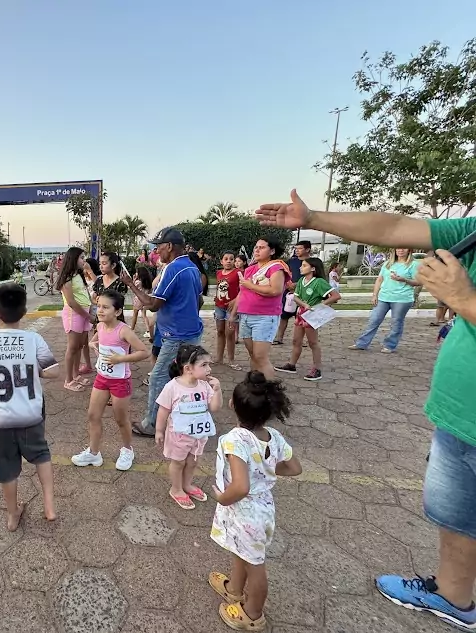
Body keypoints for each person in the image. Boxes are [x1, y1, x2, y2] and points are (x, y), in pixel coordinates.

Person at [257, 188, 476, 629]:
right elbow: (393, 226)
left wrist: (464, 300)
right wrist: (314, 217)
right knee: (456, 516)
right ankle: (454, 595)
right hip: (458, 416)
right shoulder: (472, 231)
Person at [209, 371, 302, 631]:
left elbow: (240, 486)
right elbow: (294, 468)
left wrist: (221, 497)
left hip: (244, 509)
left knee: (256, 564)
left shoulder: (234, 441)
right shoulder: (273, 436)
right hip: (262, 505)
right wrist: (268, 471)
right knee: (242, 550)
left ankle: (252, 613)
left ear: (232, 405)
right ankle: (234, 590)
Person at [0, 283, 58, 530]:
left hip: (2, 418)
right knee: (41, 454)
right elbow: (53, 371)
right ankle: (49, 504)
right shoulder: (33, 338)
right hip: (32, 415)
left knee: (7, 467)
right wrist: (32, 370)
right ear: (24, 311)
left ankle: (13, 514)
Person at [122, 228, 204, 438]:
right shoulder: (192, 268)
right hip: (191, 331)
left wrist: (131, 284)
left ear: (169, 246)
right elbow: (199, 300)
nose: (157, 250)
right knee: (183, 377)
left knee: (158, 377)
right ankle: (183, 417)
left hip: (176, 336)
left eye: (159, 246)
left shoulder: (173, 268)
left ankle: (151, 425)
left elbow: (153, 305)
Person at [72, 290, 149, 471]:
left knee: (121, 419)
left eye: (105, 307)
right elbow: (96, 339)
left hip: (120, 381)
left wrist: (120, 359)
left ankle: (127, 450)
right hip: (102, 377)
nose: (100, 310)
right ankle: (93, 452)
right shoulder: (99, 326)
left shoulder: (123, 331)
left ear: (118, 311)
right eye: (98, 306)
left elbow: (144, 352)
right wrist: (92, 343)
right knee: (93, 415)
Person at [155, 345, 221, 509]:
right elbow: (163, 410)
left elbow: (214, 407)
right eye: (204, 365)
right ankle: (176, 489)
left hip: (198, 436)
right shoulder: (172, 387)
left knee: (192, 462)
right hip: (179, 436)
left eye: (208, 364)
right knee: (178, 463)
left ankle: (187, 485)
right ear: (188, 368)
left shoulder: (204, 386)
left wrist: (218, 391)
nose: (209, 369)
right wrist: (158, 430)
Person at [274, 257, 341, 381]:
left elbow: (336, 296)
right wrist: (303, 305)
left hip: (312, 315)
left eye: (304, 265)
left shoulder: (319, 282)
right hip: (301, 313)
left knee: (313, 342)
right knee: (296, 341)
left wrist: (321, 306)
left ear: (313, 268)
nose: (300, 267)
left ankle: (317, 368)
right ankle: (292, 364)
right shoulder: (301, 280)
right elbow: (296, 297)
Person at [229, 239, 286, 379]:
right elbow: (242, 293)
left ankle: (271, 391)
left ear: (272, 251)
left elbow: (275, 290)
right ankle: (255, 387)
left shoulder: (276, 267)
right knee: (253, 355)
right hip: (245, 316)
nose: (257, 250)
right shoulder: (250, 269)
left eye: (262, 247)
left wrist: (250, 285)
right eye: (256, 247)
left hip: (265, 317)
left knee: (261, 357)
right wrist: (233, 314)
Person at [350, 248, 420, 353]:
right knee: (374, 320)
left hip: (402, 298)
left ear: (409, 250)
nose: (401, 251)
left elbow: (418, 282)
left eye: (404, 248)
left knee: (396, 322)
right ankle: (362, 343)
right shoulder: (388, 263)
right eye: (398, 248)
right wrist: (375, 295)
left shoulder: (414, 264)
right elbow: (379, 279)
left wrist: (403, 279)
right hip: (384, 297)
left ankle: (390, 345)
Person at [57, 246, 94, 392]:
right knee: (72, 347)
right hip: (75, 314)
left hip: (84, 313)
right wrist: (88, 316)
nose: (83, 260)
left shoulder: (78, 275)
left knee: (79, 346)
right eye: (81, 257)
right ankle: (68, 380)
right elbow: (71, 302)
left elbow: (85, 295)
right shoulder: (67, 278)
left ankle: (76, 374)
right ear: (73, 259)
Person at [273, 240, 311, 345]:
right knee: (283, 316)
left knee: (302, 316)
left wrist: (298, 285)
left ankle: (301, 340)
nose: (297, 250)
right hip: (289, 292)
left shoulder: (313, 262)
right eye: (296, 248)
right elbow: (285, 274)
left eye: (300, 248)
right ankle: (279, 338)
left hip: (304, 293)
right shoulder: (291, 261)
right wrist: (288, 284)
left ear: (307, 249)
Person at [214, 250, 242, 370]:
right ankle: (219, 358)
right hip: (219, 305)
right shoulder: (219, 273)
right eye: (226, 259)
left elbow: (243, 289)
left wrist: (236, 300)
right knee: (220, 332)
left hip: (231, 308)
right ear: (222, 261)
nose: (229, 261)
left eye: (232, 259)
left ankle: (231, 359)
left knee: (229, 333)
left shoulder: (238, 273)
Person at [92, 252, 128, 323]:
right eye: (100, 264)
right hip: (101, 319)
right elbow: (93, 299)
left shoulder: (120, 282)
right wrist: (97, 301)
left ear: (113, 265)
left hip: (114, 320)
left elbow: (120, 303)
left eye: (104, 264)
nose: (101, 266)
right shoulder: (99, 280)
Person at [130, 266, 154, 340]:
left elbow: (132, 289)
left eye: (137, 272)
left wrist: (133, 280)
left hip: (138, 299)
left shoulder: (138, 282)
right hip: (145, 298)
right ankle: (148, 330)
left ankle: (132, 328)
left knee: (135, 314)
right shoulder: (148, 282)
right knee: (144, 315)